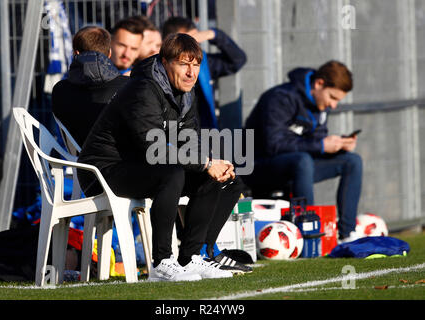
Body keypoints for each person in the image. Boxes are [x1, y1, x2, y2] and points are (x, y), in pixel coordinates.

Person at [77, 33, 244, 281]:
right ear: (165, 63)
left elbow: (189, 140)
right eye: (183, 64)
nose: (191, 72)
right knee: (172, 173)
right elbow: (153, 148)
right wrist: (205, 163)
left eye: (196, 64)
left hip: (141, 167)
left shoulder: (186, 92)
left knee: (225, 181)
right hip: (103, 171)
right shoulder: (143, 88)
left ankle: (193, 257)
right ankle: (163, 262)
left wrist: (212, 165)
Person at [244, 60, 363, 243]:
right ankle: (307, 233)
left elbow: (315, 143)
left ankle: (347, 234)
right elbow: (273, 145)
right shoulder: (280, 97)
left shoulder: (319, 106)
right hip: (258, 167)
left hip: (298, 166)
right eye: (333, 97)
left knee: (352, 161)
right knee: (303, 160)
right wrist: (322, 145)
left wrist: (338, 144)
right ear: (319, 84)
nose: (334, 105)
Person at [162, 16, 247, 129]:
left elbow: (237, 60)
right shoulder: (159, 68)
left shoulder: (204, 64)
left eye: (196, 41)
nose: (191, 72)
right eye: (188, 42)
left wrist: (214, 34)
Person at [52, 26, 128, 147]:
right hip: (119, 159)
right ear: (109, 54)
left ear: (76, 53)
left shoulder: (59, 90)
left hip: (76, 159)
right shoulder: (129, 86)